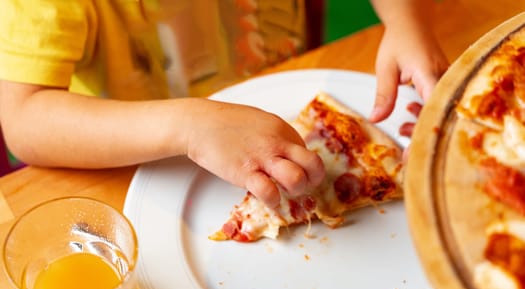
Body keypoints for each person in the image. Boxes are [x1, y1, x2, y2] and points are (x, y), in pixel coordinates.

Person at [0, 0, 448, 209]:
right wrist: (191, 126)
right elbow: (23, 117)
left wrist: (407, 21)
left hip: (295, 91)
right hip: (135, 161)